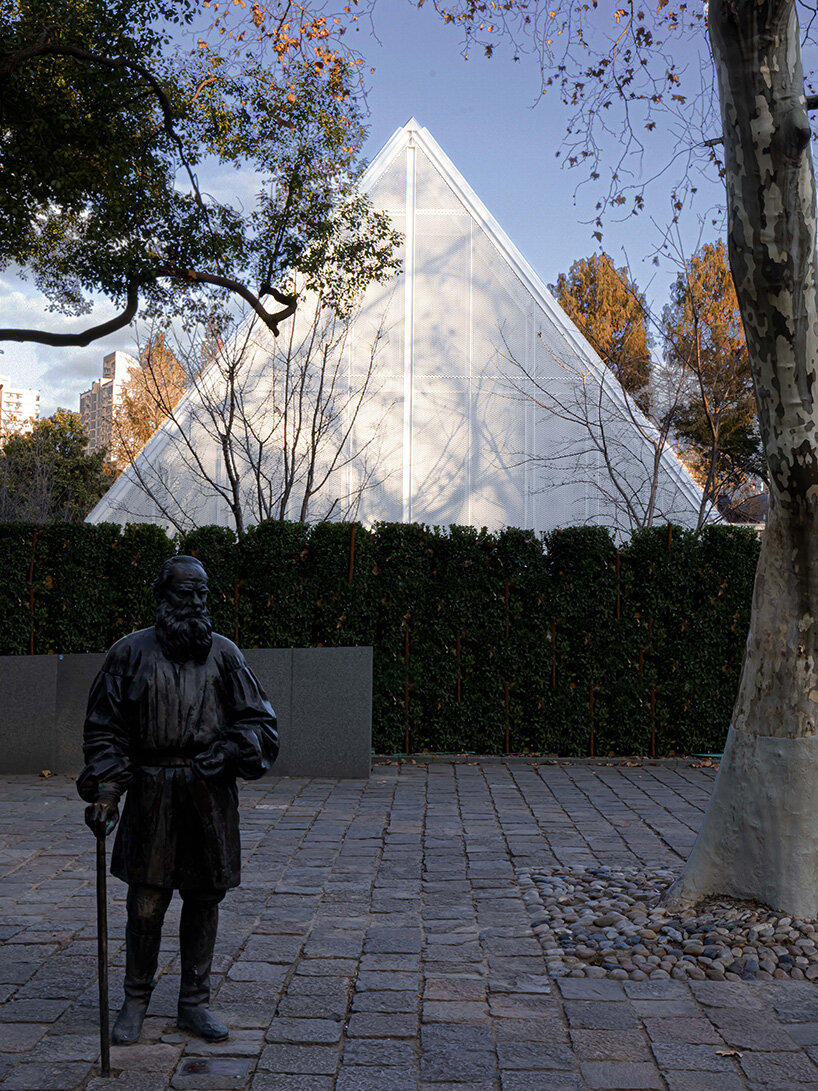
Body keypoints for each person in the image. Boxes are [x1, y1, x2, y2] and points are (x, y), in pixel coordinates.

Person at [77, 555, 278, 1045]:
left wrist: (233, 748)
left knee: (204, 898)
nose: (195, 602)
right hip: (151, 794)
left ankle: (194, 1001)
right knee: (145, 903)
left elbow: (260, 723)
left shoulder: (225, 654)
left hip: (208, 794)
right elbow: (106, 732)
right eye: (185, 593)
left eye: (202, 593)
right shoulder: (128, 654)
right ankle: (136, 999)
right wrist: (107, 791)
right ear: (163, 596)